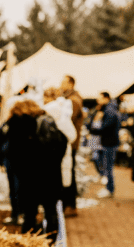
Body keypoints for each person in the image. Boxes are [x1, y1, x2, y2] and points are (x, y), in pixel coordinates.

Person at [7, 99, 65, 243]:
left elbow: (15, 154)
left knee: (29, 214)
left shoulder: (19, 124)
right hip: (51, 177)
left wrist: (20, 173)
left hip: (30, 178)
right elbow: (62, 143)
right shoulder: (49, 121)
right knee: (50, 212)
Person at [88, 92, 120, 198]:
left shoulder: (110, 110)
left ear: (106, 98)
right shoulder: (108, 109)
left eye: (100, 98)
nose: (98, 100)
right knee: (107, 166)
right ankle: (109, 188)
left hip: (109, 142)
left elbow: (106, 127)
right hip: (108, 141)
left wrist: (93, 130)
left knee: (108, 167)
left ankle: (110, 189)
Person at [60, 75, 84, 217]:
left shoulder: (73, 100)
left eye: (63, 82)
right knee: (69, 172)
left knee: (69, 173)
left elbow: (67, 120)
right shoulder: (71, 98)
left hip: (71, 142)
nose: (60, 85)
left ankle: (70, 205)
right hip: (71, 141)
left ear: (70, 84)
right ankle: (69, 204)